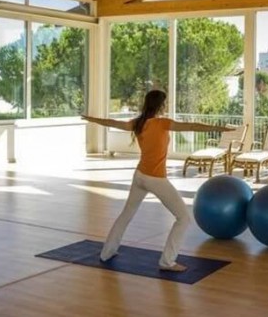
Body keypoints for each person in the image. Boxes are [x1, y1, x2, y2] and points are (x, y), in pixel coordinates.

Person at [82, 90, 233, 273]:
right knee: (183, 218)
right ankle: (167, 261)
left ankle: (106, 253)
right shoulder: (162, 123)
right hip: (155, 179)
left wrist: (90, 118)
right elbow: (192, 126)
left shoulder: (138, 123)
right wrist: (220, 129)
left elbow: (111, 123)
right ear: (161, 105)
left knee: (126, 214)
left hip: (140, 176)